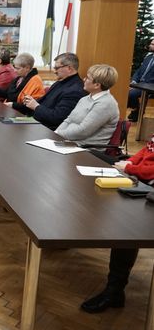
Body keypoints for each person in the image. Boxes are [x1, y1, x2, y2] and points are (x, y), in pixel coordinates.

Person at [80, 137, 154, 314]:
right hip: (139, 179)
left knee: (129, 228)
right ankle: (115, 291)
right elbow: (146, 151)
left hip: (147, 186)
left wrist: (129, 168)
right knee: (88, 157)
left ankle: (114, 291)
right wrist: (128, 163)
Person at [55, 64, 119, 146]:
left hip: (87, 148)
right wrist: (55, 134)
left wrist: (57, 135)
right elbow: (69, 120)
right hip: (69, 142)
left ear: (97, 85)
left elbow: (83, 131)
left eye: (88, 78)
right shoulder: (85, 99)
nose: (84, 79)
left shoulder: (106, 104)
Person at [21, 52, 86, 130]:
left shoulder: (74, 90)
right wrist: (30, 102)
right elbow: (43, 103)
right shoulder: (60, 82)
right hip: (37, 122)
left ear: (69, 68)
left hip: (48, 130)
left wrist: (36, 106)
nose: (54, 71)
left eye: (56, 68)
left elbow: (57, 118)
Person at [128, 38, 154, 122]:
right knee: (124, 90)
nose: (150, 45)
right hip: (140, 83)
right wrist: (134, 81)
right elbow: (139, 70)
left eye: (153, 44)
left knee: (131, 94)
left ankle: (137, 110)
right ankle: (137, 111)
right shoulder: (148, 57)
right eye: (151, 43)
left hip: (150, 85)